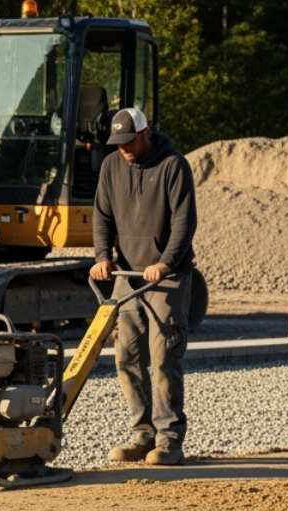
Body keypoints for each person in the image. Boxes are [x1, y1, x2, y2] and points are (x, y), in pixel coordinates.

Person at [91, 106, 197, 466]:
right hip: (127, 276)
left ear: (146, 133)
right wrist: (103, 255)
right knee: (126, 356)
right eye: (117, 142)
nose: (123, 148)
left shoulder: (173, 166)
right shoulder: (111, 166)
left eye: (129, 141)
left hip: (166, 278)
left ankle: (169, 439)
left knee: (164, 355)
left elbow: (184, 223)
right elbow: (102, 217)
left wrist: (165, 262)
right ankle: (143, 434)